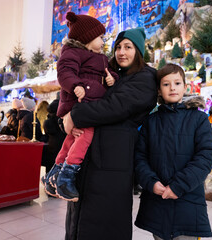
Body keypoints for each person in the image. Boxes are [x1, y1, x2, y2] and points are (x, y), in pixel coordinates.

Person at [62, 27, 157, 239]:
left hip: (113, 162)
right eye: (118, 47)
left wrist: (75, 115)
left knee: (104, 222)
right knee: (79, 218)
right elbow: (78, 98)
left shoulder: (145, 78)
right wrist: (66, 120)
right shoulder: (109, 75)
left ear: (139, 51)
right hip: (89, 157)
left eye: (128, 47)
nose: (121, 52)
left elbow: (116, 107)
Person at [41, 12, 119, 201]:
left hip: (89, 102)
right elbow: (65, 72)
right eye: (100, 37)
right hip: (79, 102)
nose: (103, 41)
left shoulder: (100, 57)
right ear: (87, 38)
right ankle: (67, 175)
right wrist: (75, 85)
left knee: (73, 138)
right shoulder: (72, 53)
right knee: (86, 135)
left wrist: (112, 79)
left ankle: (55, 173)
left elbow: (108, 73)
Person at [134, 64, 212, 240]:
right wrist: (150, 182)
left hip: (188, 202)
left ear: (185, 87)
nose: (172, 88)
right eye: (166, 84)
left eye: (177, 83)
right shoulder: (150, 122)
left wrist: (178, 186)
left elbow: (206, 155)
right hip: (157, 202)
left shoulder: (199, 119)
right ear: (158, 90)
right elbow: (139, 157)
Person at [41, 99, 66, 177]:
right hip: (62, 146)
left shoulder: (47, 122)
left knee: (50, 169)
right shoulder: (62, 120)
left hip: (51, 146)